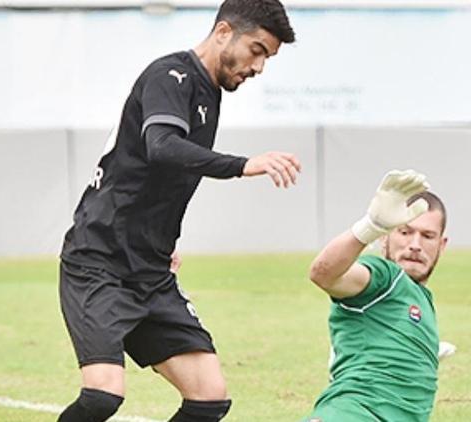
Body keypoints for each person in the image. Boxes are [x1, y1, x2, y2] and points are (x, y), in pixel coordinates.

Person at [57, 1, 299, 420]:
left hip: (150, 269)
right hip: (99, 260)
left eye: (268, 58)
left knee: (209, 398)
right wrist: (243, 165)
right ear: (224, 32)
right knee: (102, 396)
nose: (259, 67)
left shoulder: (210, 93)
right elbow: (162, 148)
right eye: (257, 50)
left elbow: (161, 181)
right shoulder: (169, 76)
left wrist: (161, 240)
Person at [304, 169, 448, 421]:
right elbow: (323, 274)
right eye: (404, 232)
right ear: (385, 240)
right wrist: (371, 226)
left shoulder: (423, 301)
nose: (415, 244)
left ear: (441, 245)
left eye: (427, 236)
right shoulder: (383, 277)